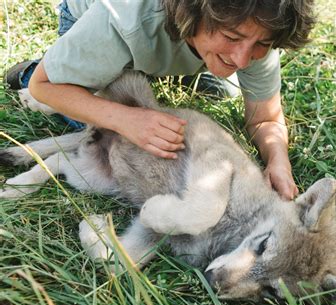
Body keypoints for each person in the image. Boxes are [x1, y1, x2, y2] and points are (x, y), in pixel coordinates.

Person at [5, 0, 316, 200]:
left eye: (261, 44)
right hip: (96, 27)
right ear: (194, 12)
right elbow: (44, 87)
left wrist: (278, 160)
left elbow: (265, 117)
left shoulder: (256, 22)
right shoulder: (125, 16)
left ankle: (164, 64)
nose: (243, 59)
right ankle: (34, 67)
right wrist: (126, 120)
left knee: (227, 88)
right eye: (231, 38)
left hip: (167, 40)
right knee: (110, 134)